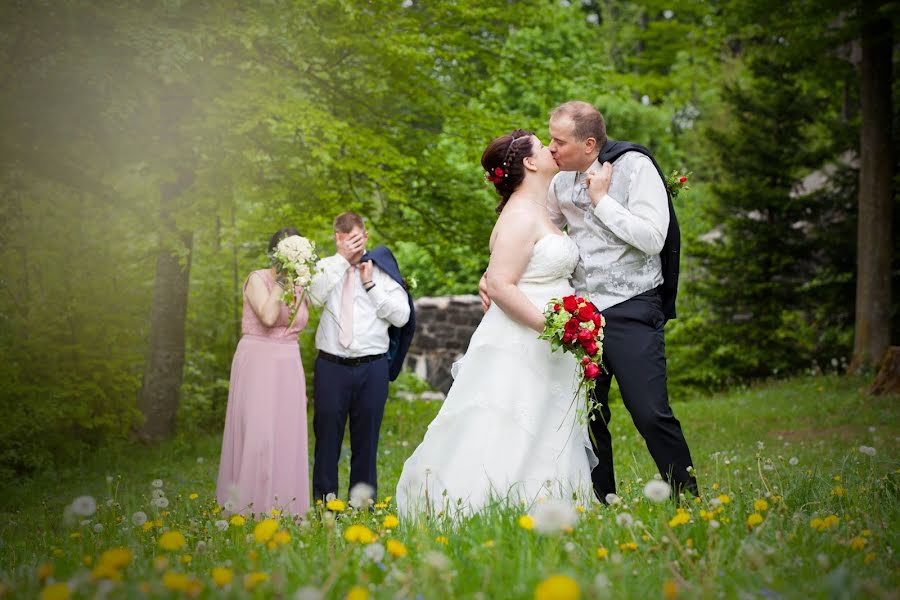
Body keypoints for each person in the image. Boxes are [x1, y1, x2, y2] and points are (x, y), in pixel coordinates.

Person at [396, 130, 608, 519]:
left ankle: (551, 506)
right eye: (544, 146)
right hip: (526, 337)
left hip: (550, 339)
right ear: (529, 162)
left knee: (546, 425)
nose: (551, 149)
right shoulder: (520, 215)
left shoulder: (539, 209)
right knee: (509, 421)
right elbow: (500, 284)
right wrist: (554, 327)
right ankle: (487, 507)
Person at [542, 100, 698, 499]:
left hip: (632, 305)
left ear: (590, 143)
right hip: (581, 314)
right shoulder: (559, 182)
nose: (551, 148)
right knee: (587, 416)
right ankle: (602, 499)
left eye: (559, 141)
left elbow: (652, 238)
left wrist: (601, 201)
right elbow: (539, 231)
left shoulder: (635, 167)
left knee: (649, 411)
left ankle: (686, 495)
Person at [308, 212, 412, 503]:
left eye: (355, 237)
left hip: (372, 367)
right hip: (331, 366)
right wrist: (342, 261)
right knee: (326, 437)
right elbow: (312, 300)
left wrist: (371, 286)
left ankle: (362, 504)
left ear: (365, 236)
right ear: (336, 239)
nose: (350, 244)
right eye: (343, 239)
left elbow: (402, 317)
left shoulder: (381, 270)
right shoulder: (325, 267)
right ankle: (325, 503)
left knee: (366, 441)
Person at [216, 227, 311, 517]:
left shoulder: (301, 285)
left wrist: (301, 282)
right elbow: (269, 317)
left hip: (289, 362)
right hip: (259, 359)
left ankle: (285, 507)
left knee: (286, 433)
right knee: (260, 434)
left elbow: (299, 322)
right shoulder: (258, 279)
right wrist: (283, 280)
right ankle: (249, 506)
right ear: (276, 254)